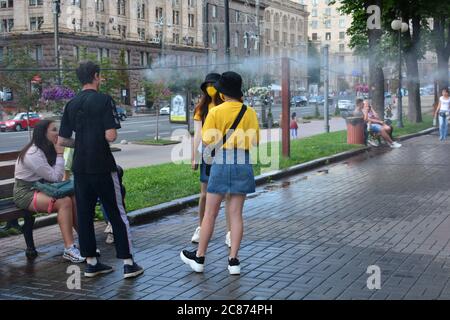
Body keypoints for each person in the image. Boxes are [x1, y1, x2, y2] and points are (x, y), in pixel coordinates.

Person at [58, 61, 143, 279]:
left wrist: (83, 141)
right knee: (116, 213)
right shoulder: (104, 100)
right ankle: (128, 263)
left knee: (84, 215)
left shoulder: (71, 104)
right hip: (103, 166)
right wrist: (96, 138)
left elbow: (62, 140)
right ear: (96, 76)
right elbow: (111, 136)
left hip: (80, 167)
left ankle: (92, 263)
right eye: (100, 76)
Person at [181, 71, 260, 275]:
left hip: (221, 161)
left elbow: (206, 140)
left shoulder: (216, 112)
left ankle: (199, 258)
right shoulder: (249, 112)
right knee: (236, 214)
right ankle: (234, 261)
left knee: (210, 213)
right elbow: (255, 141)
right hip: (243, 161)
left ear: (223, 93)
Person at [13, 120, 84, 263]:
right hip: (26, 192)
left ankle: (86, 241)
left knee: (75, 197)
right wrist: (59, 154)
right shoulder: (33, 153)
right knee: (64, 202)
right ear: (43, 133)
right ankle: (69, 249)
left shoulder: (46, 147)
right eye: (54, 130)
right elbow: (55, 177)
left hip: (43, 188)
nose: (58, 133)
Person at [191, 73, 232, 248]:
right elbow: (198, 134)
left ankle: (230, 232)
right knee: (204, 194)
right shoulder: (201, 108)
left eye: (213, 84)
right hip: (207, 153)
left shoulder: (227, 106)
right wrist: (194, 157)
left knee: (229, 195)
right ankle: (201, 228)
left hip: (226, 153)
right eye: (207, 85)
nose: (210, 88)